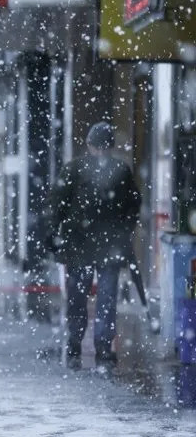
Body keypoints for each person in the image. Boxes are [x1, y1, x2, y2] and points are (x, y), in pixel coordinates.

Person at [47, 122, 141, 372]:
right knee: (106, 298)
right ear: (111, 146)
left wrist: (51, 234)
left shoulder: (74, 169)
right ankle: (102, 347)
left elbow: (56, 205)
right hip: (108, 246)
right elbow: (133, 206)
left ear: (89, 145)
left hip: (79, 245)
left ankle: (75, 343)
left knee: (78, 296)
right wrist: (124, 231)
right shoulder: (120, 169)